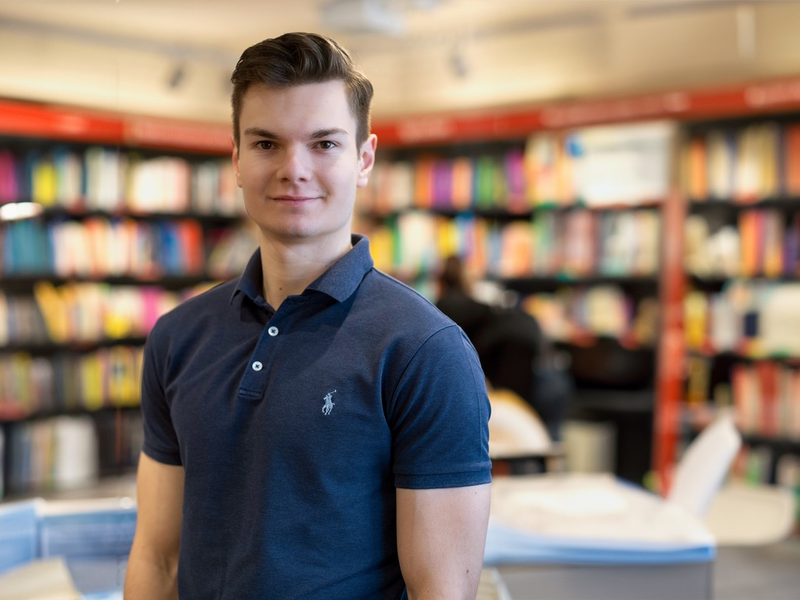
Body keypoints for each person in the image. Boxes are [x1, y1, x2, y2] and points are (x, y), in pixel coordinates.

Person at [124, 32, 492, 600]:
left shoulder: (425, 350)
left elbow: (442, 592)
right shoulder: (177, 338)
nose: (294, 169)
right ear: (238, 161)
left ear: (364, 158)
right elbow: (157, 559)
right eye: (267, 143)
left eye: (324, 144)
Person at [436, 255, 572, 442]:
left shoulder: (443, 311)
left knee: (531, 441)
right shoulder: (481, 308)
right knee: (545, 440)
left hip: (529, 378)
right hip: (545, 371)